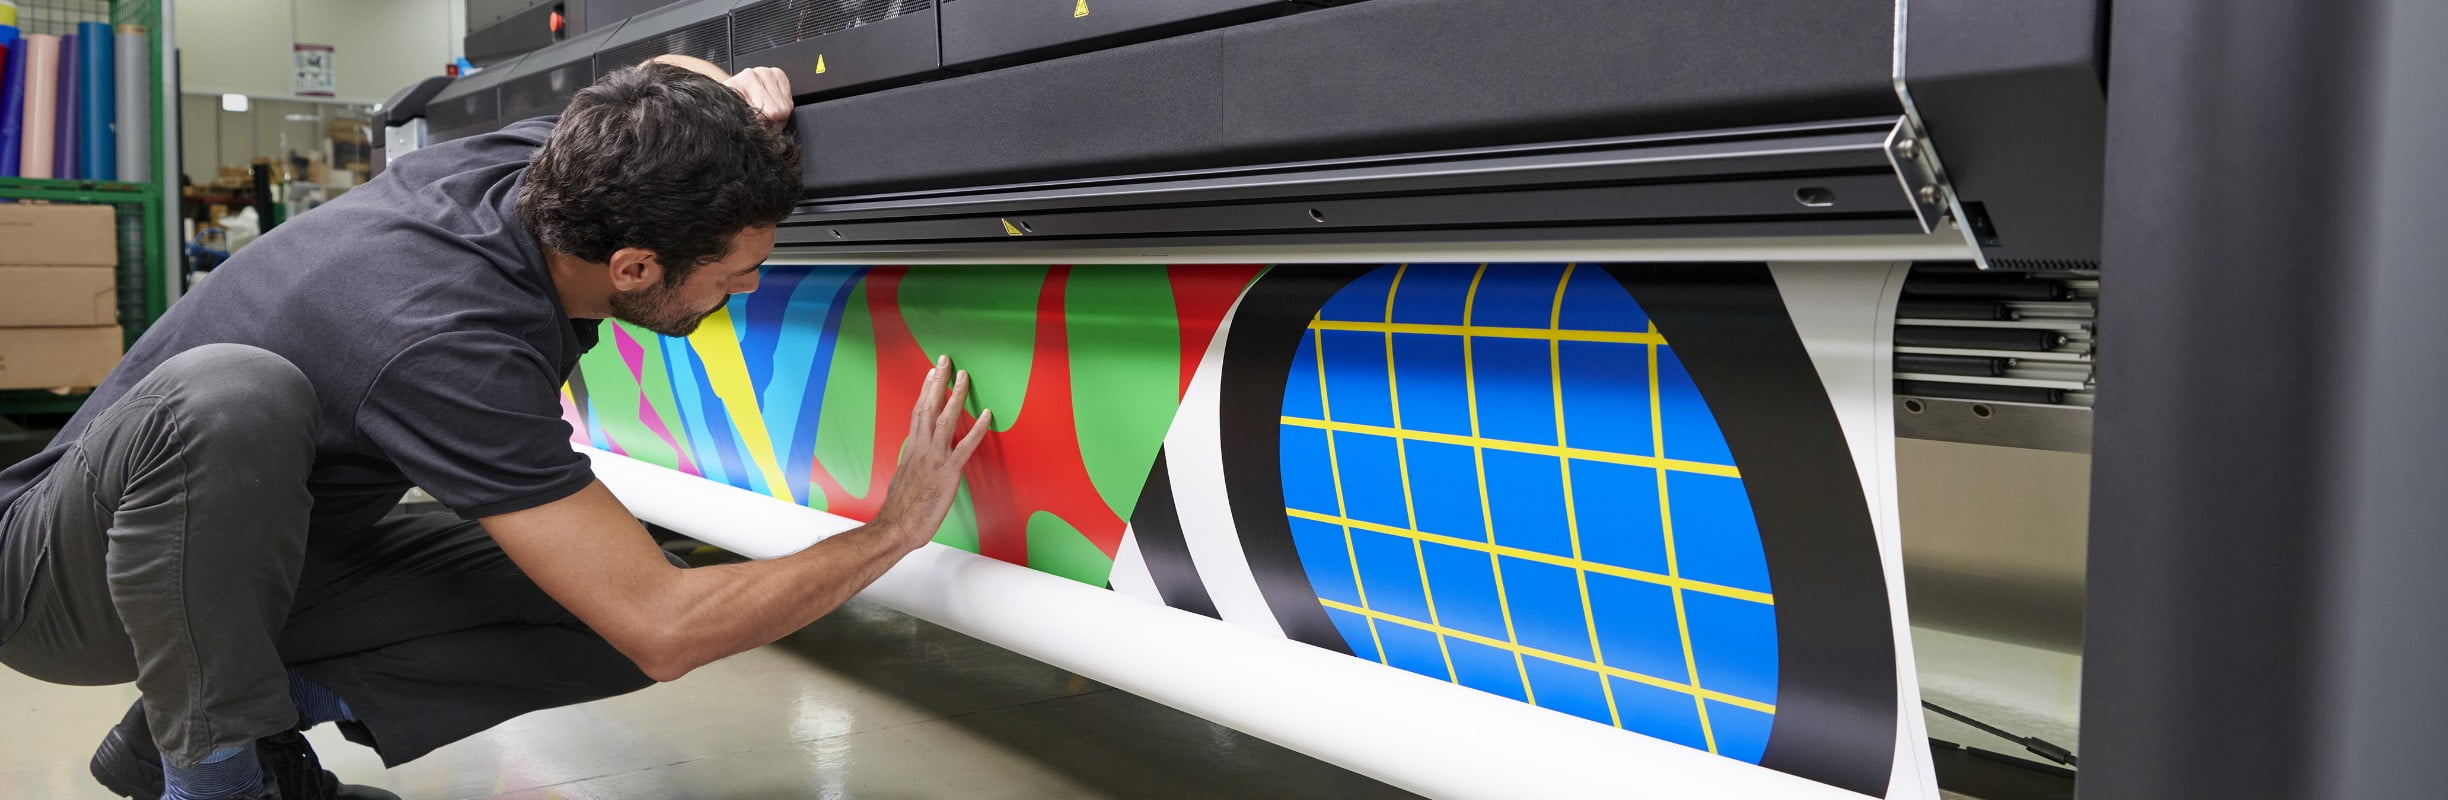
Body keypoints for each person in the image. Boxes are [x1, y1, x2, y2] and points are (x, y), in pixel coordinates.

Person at [0, 55, 989, 800]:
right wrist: (890, 531)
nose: (748, 286)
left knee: (614, 593)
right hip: (57, 574)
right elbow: (665, 631)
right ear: (637, 268)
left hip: (259, 550)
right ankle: (216, 775)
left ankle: (203, 730)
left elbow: (653, 80)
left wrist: (728, 96)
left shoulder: (556, 172)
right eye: (734, 272)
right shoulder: (446, 339)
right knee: (234, 396)